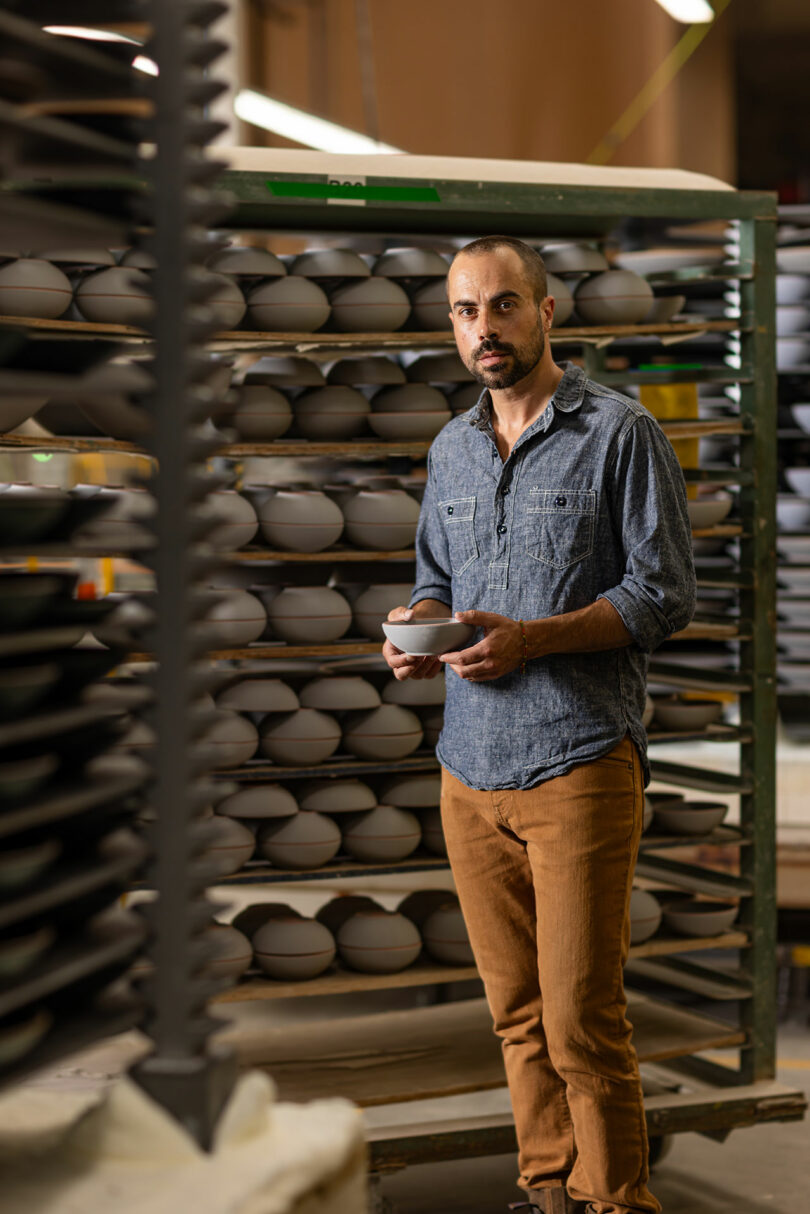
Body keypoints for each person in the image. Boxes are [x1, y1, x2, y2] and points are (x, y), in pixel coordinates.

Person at [382, 235, 696, 1214]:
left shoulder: (618, 432)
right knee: (516, 1015)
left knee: (581, 1020)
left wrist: (535, 640)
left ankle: (616, 1200)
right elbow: (439, 576)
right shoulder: (451, 446)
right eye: (467, 311)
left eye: (505, 305)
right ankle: (545, 1188)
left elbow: (663, 594)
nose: (486, 327)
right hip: (468, 768)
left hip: (579, 766)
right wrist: (412, 629)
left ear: (548, 311)